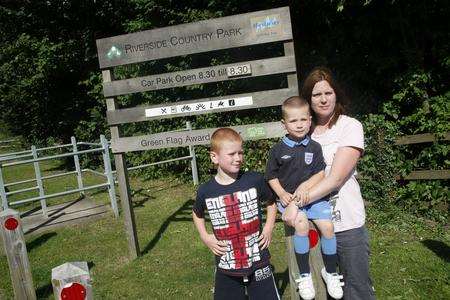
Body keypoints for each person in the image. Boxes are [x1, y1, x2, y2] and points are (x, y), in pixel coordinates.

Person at [299, 66, 376, 300]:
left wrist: (298, 201)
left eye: (328, 93)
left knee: (356, 289)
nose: (323, 99)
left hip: (346, 224)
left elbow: (337, 178)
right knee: (320, 291)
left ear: (336, 94)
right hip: (312, 225)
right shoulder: (302, 132)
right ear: (308, 99)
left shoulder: (349, 126)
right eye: (316, 94)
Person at [265, 96, 344, 300]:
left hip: (315, 199)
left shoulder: (315, 147)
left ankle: (331, 272)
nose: (299, 125)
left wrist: (305, 187)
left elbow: (320, 174)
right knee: (300, 225)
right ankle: (305, 275)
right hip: (291, 203)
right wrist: (282, 193)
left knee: (327, 227)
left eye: (303, 120)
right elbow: (271, 176)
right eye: (293, 121)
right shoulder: (277, 150)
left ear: (310, 120)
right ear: (284, 124)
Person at [192, 128, 280, 300]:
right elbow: (197, 213)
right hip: (226, 262)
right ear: (214, 157)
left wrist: (269, 227)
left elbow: (271, 202)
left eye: (240, 152)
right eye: (231, 154)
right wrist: (205, 236)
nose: (238, 158)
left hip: (258, 258)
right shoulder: (206, 190)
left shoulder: (254, 180)